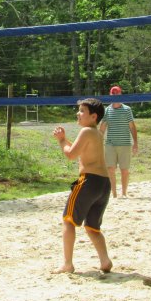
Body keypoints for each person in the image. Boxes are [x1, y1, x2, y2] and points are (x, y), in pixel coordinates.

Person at [52, 98, 113, 274]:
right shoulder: (96, 133)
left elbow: (71, 154)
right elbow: (79, 152)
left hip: (88, 181)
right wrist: (65, 140)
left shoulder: (86, 131)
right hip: (104, 184)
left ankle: (67, 264)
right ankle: (105, 260)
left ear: (93, 116)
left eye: (82, 111)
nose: (77, 114)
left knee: (68, 220)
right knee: (92, 227)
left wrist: (62, 140)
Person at [98, 85, 138, 197]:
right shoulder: (107, 110)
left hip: (125, 144)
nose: (115, 96)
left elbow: (132, 127)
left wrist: (135, 143)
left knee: (124, 170)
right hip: (110, 144)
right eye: (113, 94)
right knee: (110, 169)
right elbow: (102, 128)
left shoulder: (127, 110)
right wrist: (96, 142)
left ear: (120, 94)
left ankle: (124, 193)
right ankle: (114, 193)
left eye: (117, 94)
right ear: (110, 95)